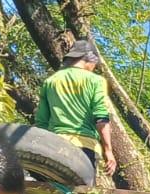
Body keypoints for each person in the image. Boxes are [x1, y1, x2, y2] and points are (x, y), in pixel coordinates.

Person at [35, 38, 118, 179]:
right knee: (80, 193)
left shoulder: (51, 82)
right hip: (85, 148)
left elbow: (41, 122)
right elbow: (101, 117)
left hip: (55, 145)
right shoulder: (95, 81)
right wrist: (108, 151)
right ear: (90, 60)